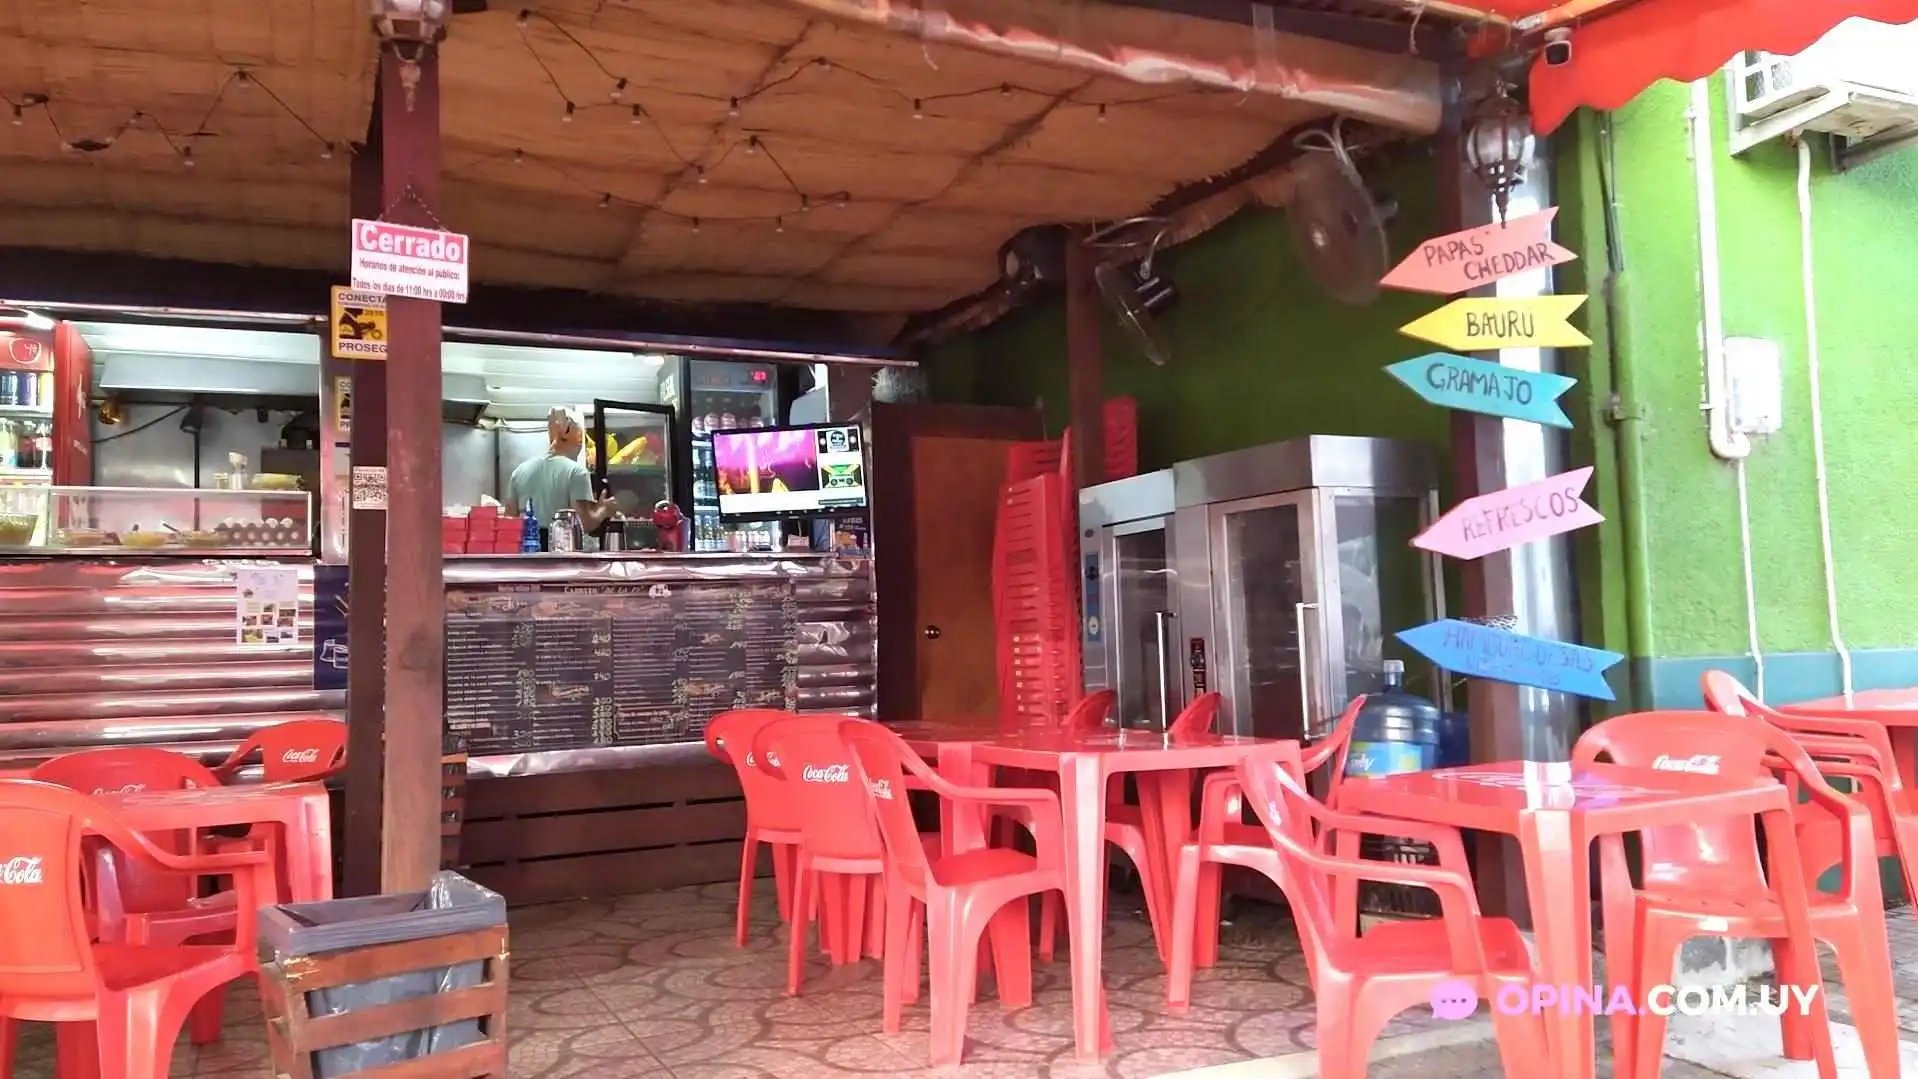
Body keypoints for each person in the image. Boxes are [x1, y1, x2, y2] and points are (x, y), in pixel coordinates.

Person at [505, 407, 618, 531]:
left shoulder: (519, 472)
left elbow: (509, 524)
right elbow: (583, 524)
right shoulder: (576, 472)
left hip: (528, 543)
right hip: (561, 542)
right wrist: (603, 510)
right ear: (577, 438)